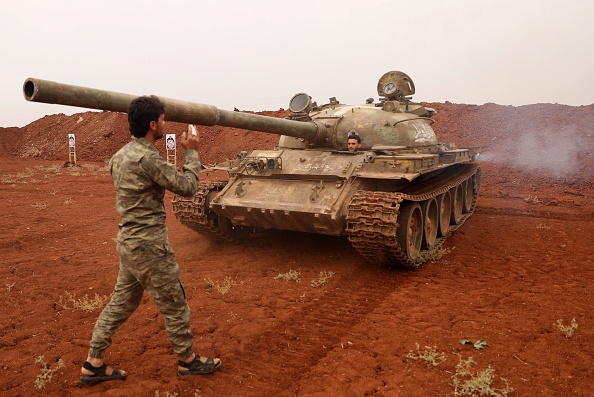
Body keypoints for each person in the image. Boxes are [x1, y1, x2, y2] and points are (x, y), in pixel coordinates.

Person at [80, 95, 221, 385]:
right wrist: (192, 152)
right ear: (153, 124)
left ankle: (93, 363)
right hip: (150, 247)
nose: (166, 125)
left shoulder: (118, 157)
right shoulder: (149, 158)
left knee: (121, 303)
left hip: (129, 243)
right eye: (164, 120)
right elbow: (188, 187)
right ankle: (188, 361)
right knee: (175, 303)